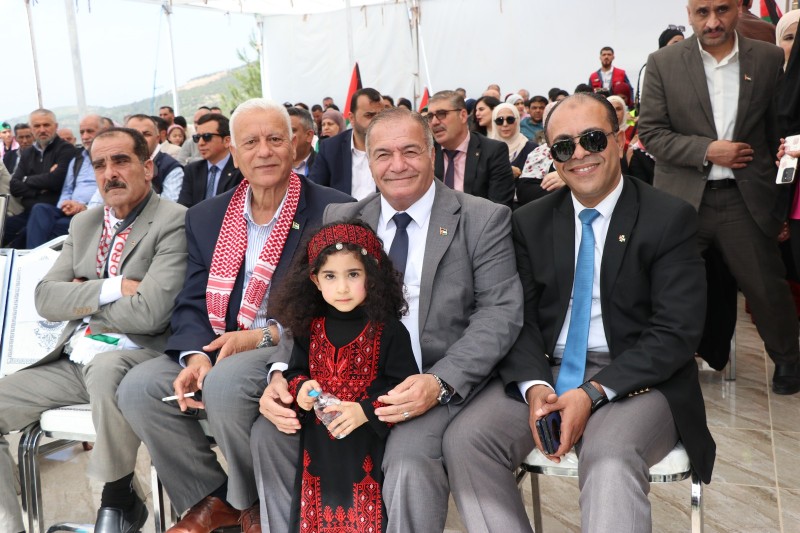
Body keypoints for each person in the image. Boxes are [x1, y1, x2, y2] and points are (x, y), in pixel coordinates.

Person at [450, 92, 716, 532]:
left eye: (593, 139)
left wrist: (592, 392)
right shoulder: (528, 222)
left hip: (638, 378)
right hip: (548, 369)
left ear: (620, 140)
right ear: (551, 157)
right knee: (466, 440)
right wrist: (535, 387)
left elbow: (676, 332)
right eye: (563, 147)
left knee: (609, 456)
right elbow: (517, 319)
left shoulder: (669, 218)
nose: (579, 155)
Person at [252, 107, 523, 533]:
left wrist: (440, 381)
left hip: (435, 376)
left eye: (410, 151)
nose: (397, 165)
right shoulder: (343, 218)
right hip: (342, 378)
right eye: (383, 154)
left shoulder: (482, 218)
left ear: (432, 154)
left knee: (409, 458)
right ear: (368, 161)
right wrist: (281, 375)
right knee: (269, 435)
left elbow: (500, 313)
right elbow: (306, 306)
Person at [117, 98, 353, 533]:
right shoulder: (207, 216)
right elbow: (192, 299)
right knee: (138, 388)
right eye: (251, 142)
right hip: (221, 342)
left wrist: (261, 337)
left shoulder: (332, 209)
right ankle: (212, 499)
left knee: (225, 384)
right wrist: (194, 356)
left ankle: (256, 505)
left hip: (290, 342)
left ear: (295, 145)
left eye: (275, 139)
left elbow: (338, 302)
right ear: (234, 152)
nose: (264, 151)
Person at [0, 126, 187, 533]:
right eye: (99, 164)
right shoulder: (85, 224)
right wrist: (114, 288)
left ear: (147, 168)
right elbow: (45, 299)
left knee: (106, 370)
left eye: (120, 161)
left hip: (139, 358)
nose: (109, 173)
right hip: (74, 360)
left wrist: (83, 300)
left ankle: (117, 499)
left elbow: (151, 314)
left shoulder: (174, 221)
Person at [639, 0, 800, 395]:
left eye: (722, 10)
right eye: (702, 12)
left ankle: (788, 360)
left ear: (738, 10)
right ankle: (660, 363)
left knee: (766, 287)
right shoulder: (662, 63)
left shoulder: (766, 59)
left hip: (745, 199)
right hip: (682, 201)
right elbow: (652, 133)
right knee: (667, 287)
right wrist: (708, 150)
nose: (713, 22)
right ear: (689, 13)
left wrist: (780, 193)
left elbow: (777, 129)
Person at [273, 220, 417, 532]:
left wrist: (365, 411)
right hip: (318, 450)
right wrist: (301, 389)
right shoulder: (308, 327)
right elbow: (294, 372)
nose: (341, 287)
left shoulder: (390, 331)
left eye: (353, 274)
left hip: (368, 448)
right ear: (315, 280)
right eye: (330, 276)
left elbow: (405, 389)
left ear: (372, 276)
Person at [25, 114, 104, 248]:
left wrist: (84, 207)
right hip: (71, 209)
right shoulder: (77, 160)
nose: (85, 136)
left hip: (93, 210)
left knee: (51, 227)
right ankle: (33, 255)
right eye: (82, 132)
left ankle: (36, 255)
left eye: (90, 131)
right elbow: (67, 189)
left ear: (103, 132)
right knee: (40, 209)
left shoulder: (108, 159)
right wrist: (65, 205)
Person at [426, 90, 515, 208]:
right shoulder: (426, 153)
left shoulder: (493, 151)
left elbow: (499, 207)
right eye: (430, 117)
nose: (434, 122)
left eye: (442, 114)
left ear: (463, 115)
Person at [6, 109, 78, 248]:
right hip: (28, 212)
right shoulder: (28, 153)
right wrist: (38, 190)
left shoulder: (66, 150)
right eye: (37, 126)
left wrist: (26, 179)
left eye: (46, 125)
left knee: (25, 234)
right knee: (4, 226)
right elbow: (14, 186)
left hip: (53, 211)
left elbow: (55, 181)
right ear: (31, 128)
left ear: (55, 126)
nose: (42, 130)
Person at [309, 88, 384, 199]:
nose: (377, 121)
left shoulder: (394, 147)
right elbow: (314, 192)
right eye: (369, 115)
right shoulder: (330, 148)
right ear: (352, 118)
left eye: (381, 115)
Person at [177, 113, 241, 208]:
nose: (200, 143)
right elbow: (183, 207)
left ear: (227, 141)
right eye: (197, 138)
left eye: (207, 137)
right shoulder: (192, 170)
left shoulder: (241, 169)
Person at [489, 103, 537, 179]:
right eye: (499, 120)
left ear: (517, 121)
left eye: (510, 120)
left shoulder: (532, 148)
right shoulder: (486, 149)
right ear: (494, 123)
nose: (505, 124)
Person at [287, 107, 316, 177]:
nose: (286, 135)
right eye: (284, 130)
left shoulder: (323, 165)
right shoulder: (274, 164)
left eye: (292, 130)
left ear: (309, 135)